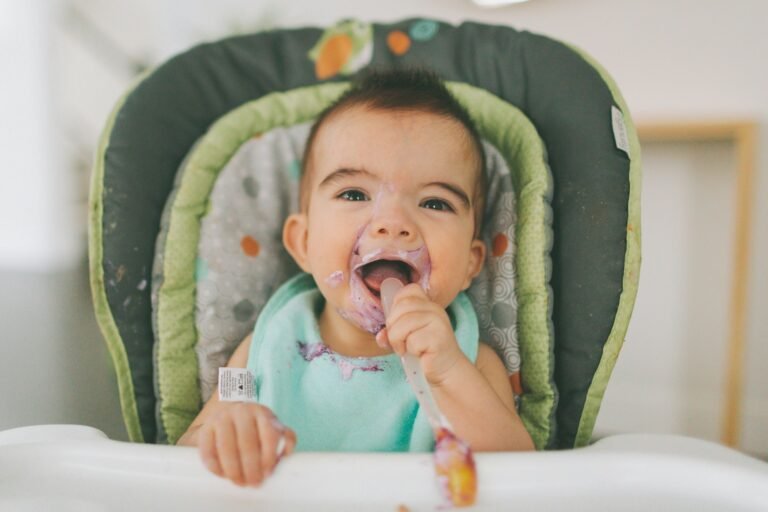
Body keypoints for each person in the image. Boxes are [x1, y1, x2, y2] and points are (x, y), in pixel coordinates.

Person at [177, 68, 534, 487]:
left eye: (435, 203)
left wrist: (448, 373)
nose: (393, 223)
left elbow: (521, 477)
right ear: (303, 242)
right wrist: (229, 433)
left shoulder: (468, 359)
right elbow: (184, 460)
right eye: (355, 194)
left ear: (472, 263)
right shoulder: (265, 345)